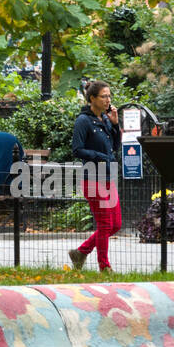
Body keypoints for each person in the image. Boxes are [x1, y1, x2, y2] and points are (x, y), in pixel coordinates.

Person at [67, 80, 123, 272]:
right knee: (105, 224)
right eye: (103, 96)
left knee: (115, 224)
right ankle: (104, 266)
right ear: (92, 99)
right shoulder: (83, 121)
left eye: (109, 96)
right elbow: (77, 150)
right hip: (92, 178)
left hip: (108, 176)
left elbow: (114, 147)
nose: (108, 100)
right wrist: (99, 157)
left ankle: (81, 252)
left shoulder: (106, 119)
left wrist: (115, 126)